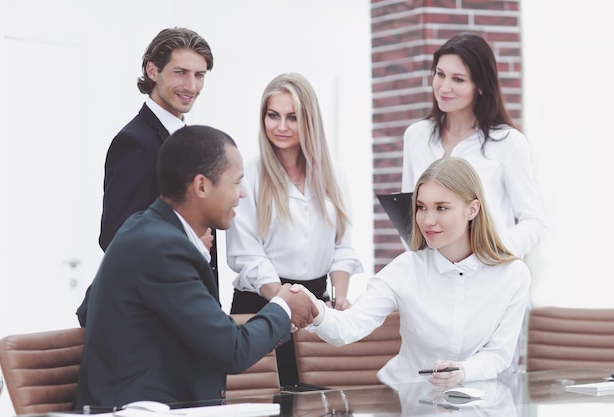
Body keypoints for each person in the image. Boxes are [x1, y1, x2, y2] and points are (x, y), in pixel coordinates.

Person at [73, 125, 318, 409]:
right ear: (201, 186)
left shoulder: (142, 228)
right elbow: (232, 351)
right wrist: (283, 306)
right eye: (236, 182)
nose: (242, 194)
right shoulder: (163, 248)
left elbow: (89, 311)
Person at [301, 157, 530, 386]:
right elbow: (348, 327)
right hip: (405, 400)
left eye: (441, 208)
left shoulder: (513, 275)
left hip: (475, 402)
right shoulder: (405, 269)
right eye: (421, 207)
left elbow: (499, 355)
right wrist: (313, 308)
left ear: (472, 209)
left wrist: (464, 371)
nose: (428, 220)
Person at [226, 72, 363, 386]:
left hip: (316, 308)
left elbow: (343, 247)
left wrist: (340, 299)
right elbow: (247, 255)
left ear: (309, 121)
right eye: (273, 115)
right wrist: (285, 303)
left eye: (292, 117)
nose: (281, 126)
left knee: (317, 402)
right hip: (261, 307)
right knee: (265, 402)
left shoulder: (333, 174)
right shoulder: (249, 173)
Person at [77, 27, 216, 327]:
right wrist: (189, 240)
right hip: (145, 316)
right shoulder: (135, 142)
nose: (191, 85)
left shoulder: (190, 139)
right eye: (180, 72)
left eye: (199, 75)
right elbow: (115, 236)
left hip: (185, 307)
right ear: (152, 70)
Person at [401, 32, 546, 259]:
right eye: (440, 74)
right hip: (431, 278)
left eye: (458, 79)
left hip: (490, 275)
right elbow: (409, 217)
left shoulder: (508, 142)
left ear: (480, 86)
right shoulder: (415, 136)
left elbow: (534, 223)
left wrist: (491, 253)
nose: (444, 87)